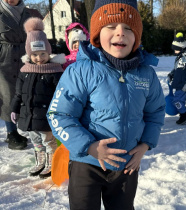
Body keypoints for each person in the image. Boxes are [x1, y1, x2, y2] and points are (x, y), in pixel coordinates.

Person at [46, 0, 165, 209]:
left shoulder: (146, 75)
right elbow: (59, 115)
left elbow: (155, 112)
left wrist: (146, 144)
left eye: (128, 28)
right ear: (96, 35)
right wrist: (89, 146)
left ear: (136, 36)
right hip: (87, 163)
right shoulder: (81, 71)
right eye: (111, 27)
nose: (120, 33)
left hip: (126, 165)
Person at [10, 18, 65, 177]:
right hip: (29, 115)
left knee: (48, 141)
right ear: (29, 54)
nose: (39, 58)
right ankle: (40, 161)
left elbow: (61, 95)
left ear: (48, 52)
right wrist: (14, 108)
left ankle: (51, 162)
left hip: (47, 116)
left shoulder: (55, 71)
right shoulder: (25, 71)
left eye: (42, 53)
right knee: (36, 141)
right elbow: (19, 93)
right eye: (34, 54)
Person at [0, 0, 42, 149]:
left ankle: (29, 126)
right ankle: (11, 134)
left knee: (26, 91)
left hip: (25, 58)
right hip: (4, 60)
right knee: (7, 95)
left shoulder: (27, 13)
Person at [167, 32, 186, 125]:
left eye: (176, 49)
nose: (174, 51)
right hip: (179, 82)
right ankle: (182, 114)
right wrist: (171, 74)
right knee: (180, 100)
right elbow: (177, 68)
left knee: (177, 100)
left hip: (184, 83)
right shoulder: (180, 56)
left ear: (181, 48)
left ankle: (184, 115)